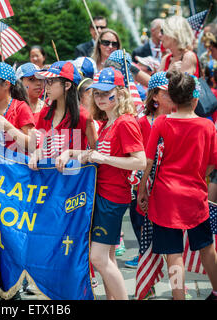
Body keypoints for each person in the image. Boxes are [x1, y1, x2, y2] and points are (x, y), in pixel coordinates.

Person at [138, 71, 217, 300]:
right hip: (195, 197)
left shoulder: (162, 122)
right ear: (195, 98)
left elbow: (149, 160)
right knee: (206, 248)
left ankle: (178, 296)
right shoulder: (207, 125)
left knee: (173, 254)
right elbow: (212, 166)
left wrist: (143, 189)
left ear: (172, 97)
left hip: (165, 198)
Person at [77, 67, 146, 300]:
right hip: (104, 195)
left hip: (112, 197)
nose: (101, 98)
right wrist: (85, 155)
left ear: (120, 93)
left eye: (107, 93)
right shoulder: (109, 123)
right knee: (106, 257)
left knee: (97, 258)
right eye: (97, 93)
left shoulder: (125, 122)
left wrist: (103, 158)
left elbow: (140, 162)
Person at [125, 72, 173, 273]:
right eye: (165, 92)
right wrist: (139, 181)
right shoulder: (142, 121)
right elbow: (138, 152)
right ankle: (146, 261)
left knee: (169, 230)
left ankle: (170, 265)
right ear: (154, 96)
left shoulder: (176, 119)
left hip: (167, 180)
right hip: (143, 178)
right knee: (139, 219)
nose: (171, 96)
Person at [28, 61, 97, 170]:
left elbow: (96, 152)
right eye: (46, 81)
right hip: (49, 179)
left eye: (51, 81)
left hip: (73, 181)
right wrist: (38, 151)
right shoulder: (45, 112)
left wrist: (70, 154)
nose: (46, 87)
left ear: (67, 85)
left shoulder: (84, 116)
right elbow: (44, 143)